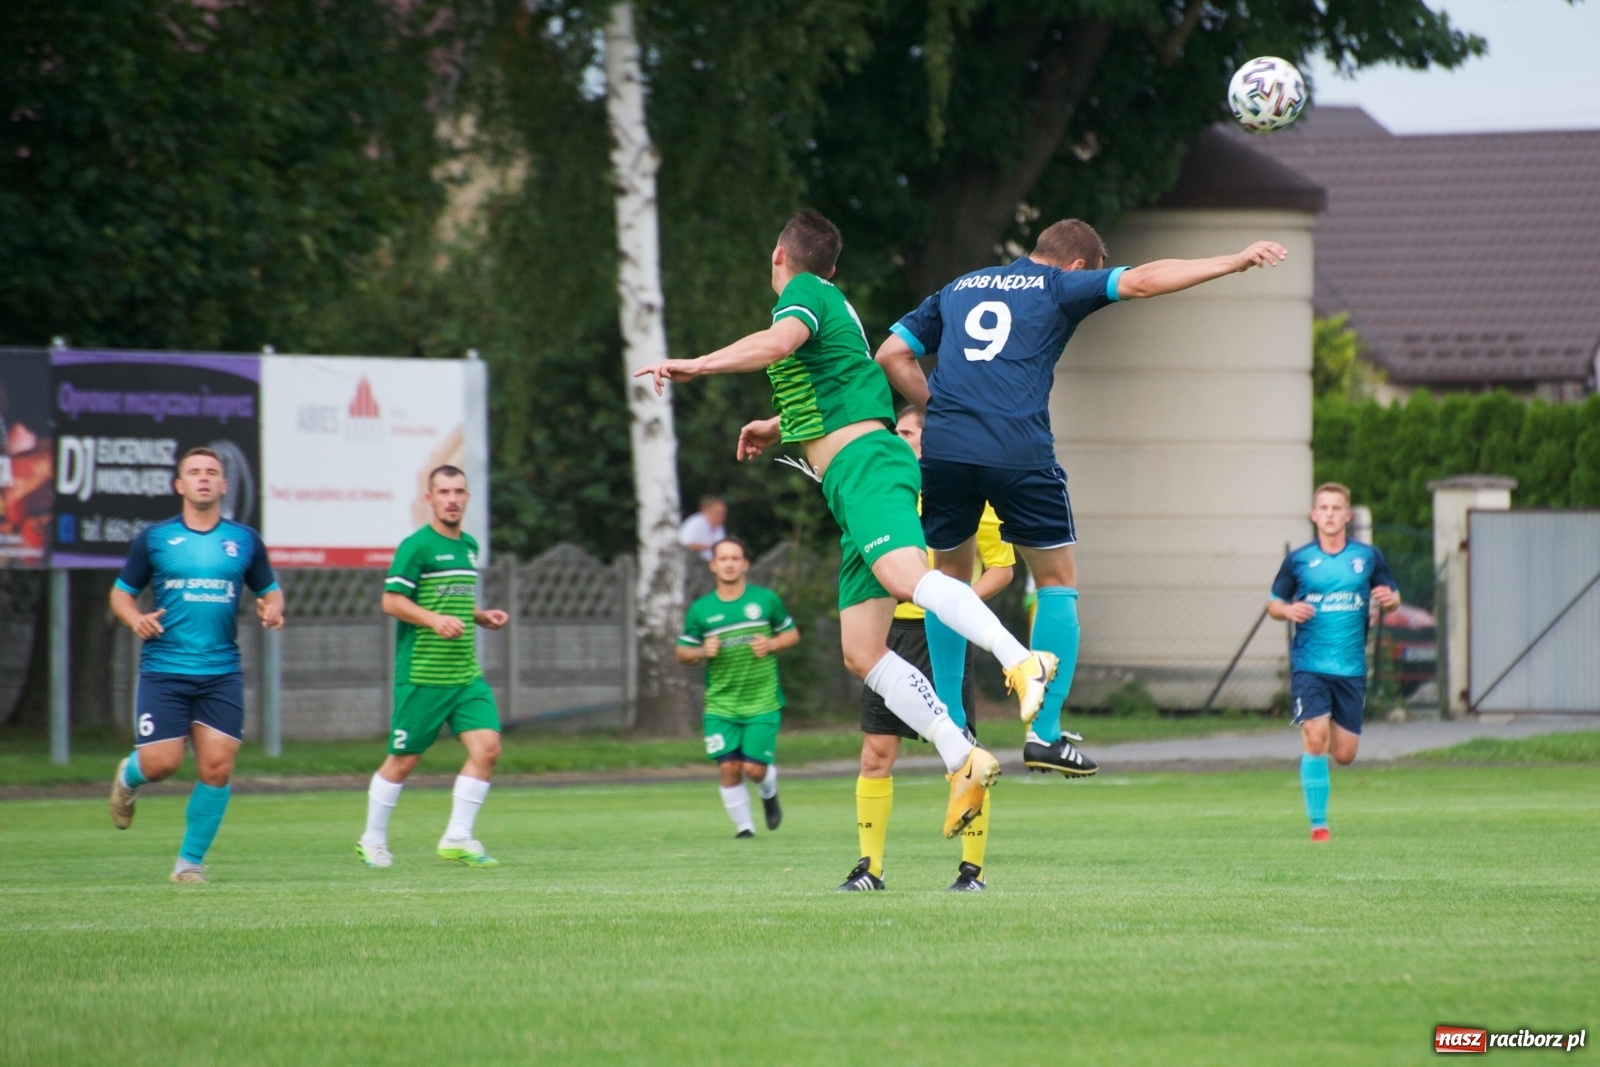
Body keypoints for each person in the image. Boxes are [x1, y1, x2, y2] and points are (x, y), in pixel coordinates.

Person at [634, 209, 1058, 858]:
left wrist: (695, 364)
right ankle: (960, 752)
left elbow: (777, 346)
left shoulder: (803, 291)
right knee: (862, 650)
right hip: (850, 482)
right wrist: (775, 427)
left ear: (782, 256)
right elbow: (838, 383)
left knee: (908, 579)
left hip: (868, 468)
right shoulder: (829, 305)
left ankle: (1019, 658)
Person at [876, 218, 1288, 778]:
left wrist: (944, 411)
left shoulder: (961, 285)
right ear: (1076, 266)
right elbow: (1143, 280)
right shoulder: (1058, 285)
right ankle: (1044, 735)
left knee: (946, 579)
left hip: (946, 449)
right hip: (1017, 448)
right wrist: (1232, 260)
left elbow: (891, 354)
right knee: (1056, 581)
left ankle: (954, 727)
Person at [849, 406, 1014, 892]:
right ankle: (869, 869)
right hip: (886, 637)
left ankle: (972, 872)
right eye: (895, 431)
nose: (897, 438)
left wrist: (955, 606)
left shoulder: (964, 498)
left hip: (940, 637)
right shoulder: (885, 496)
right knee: (875, 753)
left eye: (907, 432)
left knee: (962, 751)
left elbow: (1001, 569)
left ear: (930, 440)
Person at [107, 447, 284, 884]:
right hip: (165, 669)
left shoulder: (244, 540)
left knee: (217, 767)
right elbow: (120, 594)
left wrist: (273, 608)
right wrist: (136, 619)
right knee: (161, 763)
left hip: (221, 670)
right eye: (194, 473)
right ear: (180, 485)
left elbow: (270, 589)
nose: (203, 479)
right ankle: (128, 778)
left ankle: (188, 864)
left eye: (212, 473)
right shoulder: (156, 539)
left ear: (224, 485)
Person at [355, 465, 510, 869]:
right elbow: (392, 602)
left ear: (467, 497)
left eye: (459, 491)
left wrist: (478, 616)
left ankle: (458, 836)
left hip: (464, 675)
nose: (452, 499)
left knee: (488, 749)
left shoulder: (469, 547)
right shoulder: (417, 547)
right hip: (423, 674)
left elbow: (448, 600)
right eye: (444, 492)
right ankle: (371, 839)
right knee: (404, 760)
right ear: (430, 499)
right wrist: (433, 621)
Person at [1267, 482, 1399, 842]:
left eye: (1335, 508)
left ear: (1347, 515)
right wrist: (1287, 609)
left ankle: (1323, 770)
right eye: (1322, 508)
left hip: (1351, 669)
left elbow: (1393, 595)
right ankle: (1319, 826)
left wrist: (1390, 600)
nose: (1329, 514)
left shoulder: (1367, 557)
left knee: (1344, 755)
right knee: (1316, 739)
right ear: (1314, 515)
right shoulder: (1299, 560)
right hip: (1310, 666)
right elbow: (1273, 603)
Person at [676, 537, 800, 838]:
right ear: (713, 565)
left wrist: (771, 643)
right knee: (729, 768)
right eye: (723, 559)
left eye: (735, 558)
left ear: (744, 564)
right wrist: (702, 651)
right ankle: (745, 829)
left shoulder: (765, 601)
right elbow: (683, 652)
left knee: (753, 769)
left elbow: (792, 635)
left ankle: (768, 791)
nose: (729, 564)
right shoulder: (702, 610)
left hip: (762, 700)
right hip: (720, 705)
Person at [679, 495, 728, 561]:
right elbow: (686, 545)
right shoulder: (695, 523)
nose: (721, 517)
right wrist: (711, 547)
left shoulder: (719, 528)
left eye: (722, 514)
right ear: (705, 511)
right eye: (717, 513)